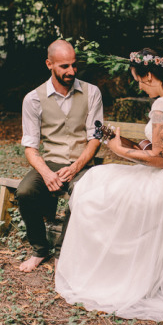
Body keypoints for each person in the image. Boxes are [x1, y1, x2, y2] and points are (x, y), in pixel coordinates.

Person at [55, 48, 163, 320]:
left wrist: (120, 150)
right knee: (99, 179)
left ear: (149, 75)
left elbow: (160, 159)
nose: (139, 86)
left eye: (139, 80)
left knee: (96, 193)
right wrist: (131, 144)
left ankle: (105, 270)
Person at [16, 40, 103, 272]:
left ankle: (62, 253)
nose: (71, 71)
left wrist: (75, 167)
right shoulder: (33, 99)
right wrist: (46, 173)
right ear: (49, 64)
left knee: (81, 192)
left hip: (82, 164)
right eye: (64, 66)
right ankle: (39, 249)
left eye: (74, 65)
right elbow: (30, 147)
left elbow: (95, 138)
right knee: (25, 192)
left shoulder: (92, 92)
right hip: (51, 162)